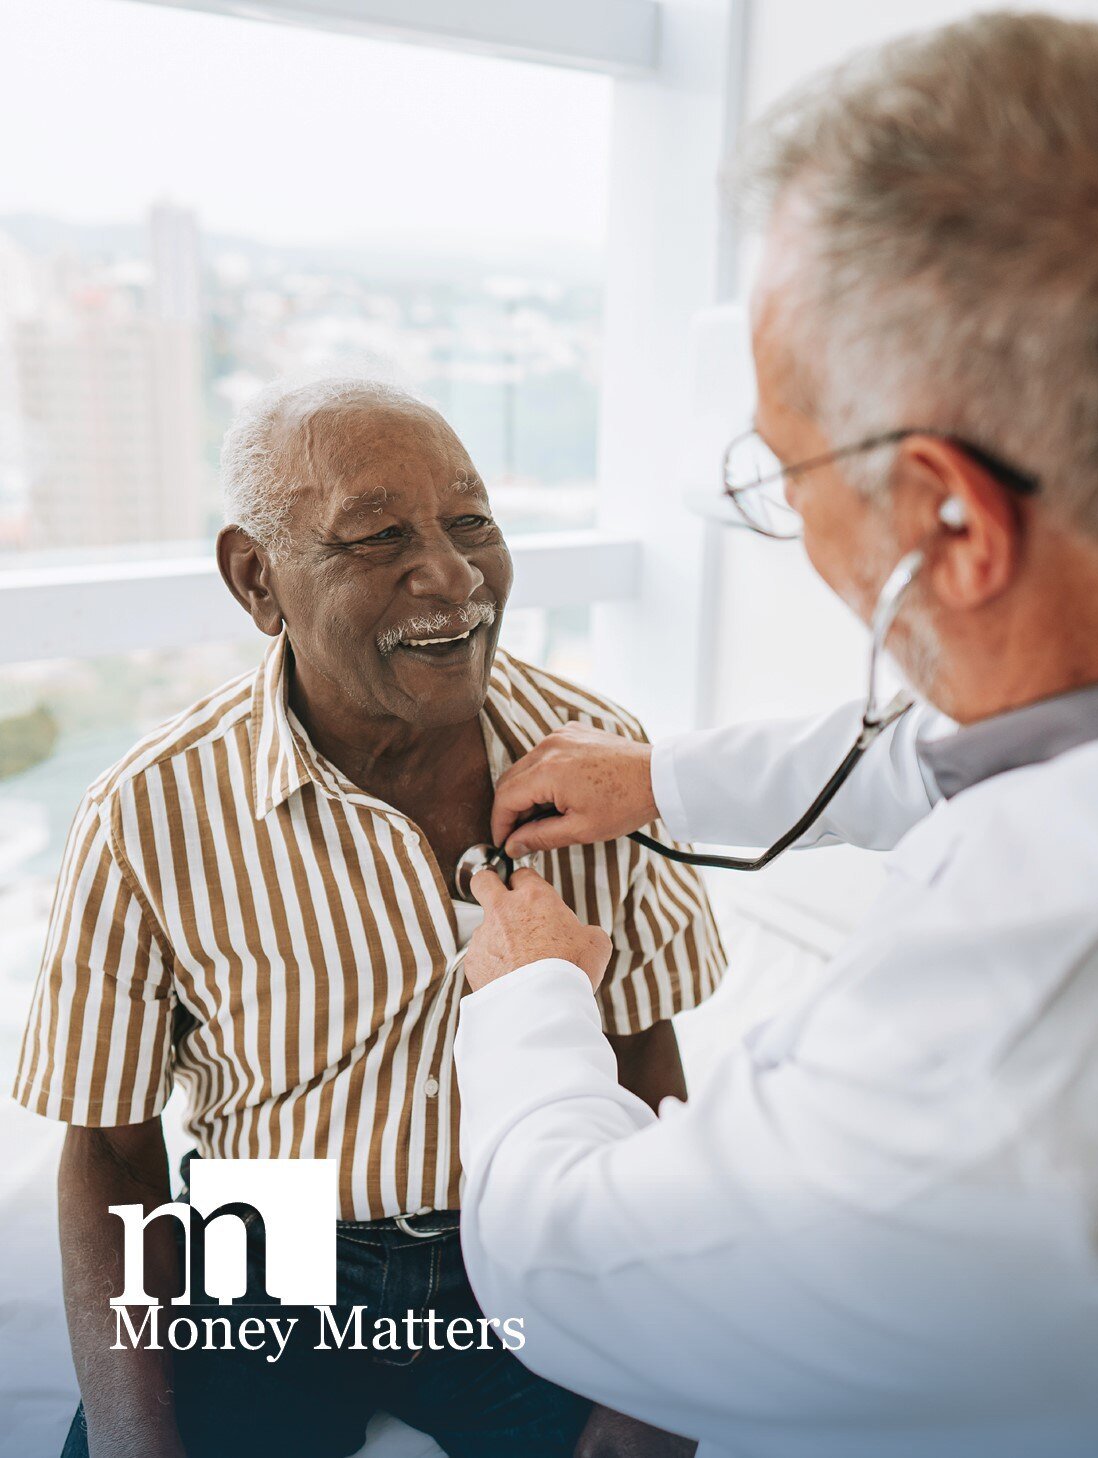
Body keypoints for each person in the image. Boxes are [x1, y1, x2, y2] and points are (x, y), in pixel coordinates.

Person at [446, 14, 1098, 1458]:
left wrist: (531, 996)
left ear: (952, 523)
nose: (791, 523)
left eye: (780, 476)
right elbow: (954, 757)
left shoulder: (1010, 1060)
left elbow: (560, 1266)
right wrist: (664, 777)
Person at [13, 377, 723, 1458]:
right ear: (258, 579)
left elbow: (644, 1063)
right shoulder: (149, 808)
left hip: (519, 1238)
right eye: (378, 535)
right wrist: (131, 1447)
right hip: (268, 1244)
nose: (449, 574)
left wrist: (650, 1394)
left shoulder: (599, 753)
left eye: (470, 520)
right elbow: (111, 1149)